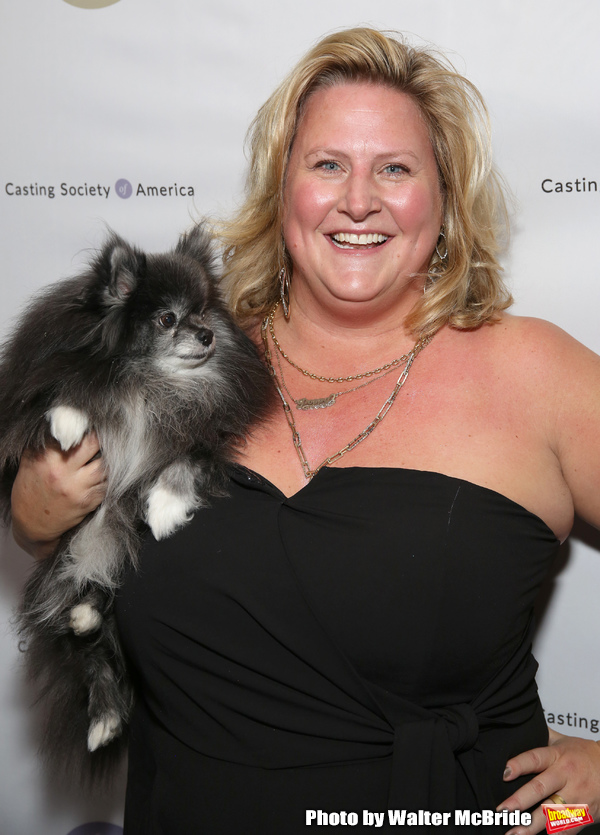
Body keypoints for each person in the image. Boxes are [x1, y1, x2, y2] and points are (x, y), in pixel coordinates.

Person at [10, 27, 600, 835]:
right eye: (328, 165)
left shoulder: (537, 372)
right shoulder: (181, 361)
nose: (359, 200)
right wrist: (34, 515)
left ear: (447, 196)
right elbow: (75, 534)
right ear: (283, 190)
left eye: (395, 168)